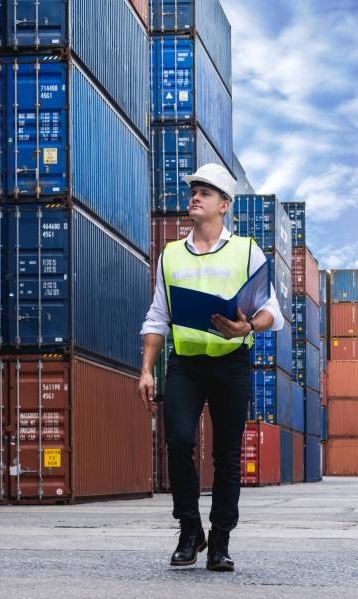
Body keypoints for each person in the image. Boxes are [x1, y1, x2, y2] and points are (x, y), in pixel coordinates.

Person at [139, 163, 284, 571]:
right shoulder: (170, 255)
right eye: (193, 190)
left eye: (205, 191)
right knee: (179, 441)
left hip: (231, 363)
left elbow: (272, 309)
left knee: (227, 455)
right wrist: (147, 369)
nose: (195, 196)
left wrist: (247, 326)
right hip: (186, 363)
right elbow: (156, 317)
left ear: (224, 205)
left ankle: (220, 540)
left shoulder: (247, 250)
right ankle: (190, 530)